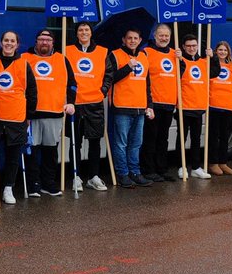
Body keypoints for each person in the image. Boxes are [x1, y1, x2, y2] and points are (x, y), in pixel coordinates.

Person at [22, 29, 76, 197]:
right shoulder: (24, 58)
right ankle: (34, 184)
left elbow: (72, 84)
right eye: (41, 39)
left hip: (54, 112)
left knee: (51, 151)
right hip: (32, 114)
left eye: (48, 40)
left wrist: (71, 102)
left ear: (53, 43)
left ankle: (49, 183)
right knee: (32, 150)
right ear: (36, 41)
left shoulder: (62, 59)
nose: (44, 42)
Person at [0, 30, 37, 204]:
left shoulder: (23, 64)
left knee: (13, 156)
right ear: (1, 43)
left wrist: (29, 116)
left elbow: (32, 92)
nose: (9, 43)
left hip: (16, 117)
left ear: (17, 44)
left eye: (12, 41)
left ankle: (8, 188)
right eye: (6, 40)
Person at [104, 27, 154, 189]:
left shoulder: (143, 56)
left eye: (136, 38)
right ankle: (123, 174)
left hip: (140, 107)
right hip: (122, 107)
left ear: (140, 41)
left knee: (136, 143)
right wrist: (127, 67)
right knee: (121, 143)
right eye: (129, 38)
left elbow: (147, 83)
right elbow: (110, 79)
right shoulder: (115, 55)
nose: (132, 41)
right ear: (124, 40)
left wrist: (149, 105)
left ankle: (135, 172)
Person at [65, 22, 109, 191]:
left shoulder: (103, 52)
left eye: (87, 30)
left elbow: (109, 75)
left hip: (94, 103)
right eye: (80, 30)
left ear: (91, 33)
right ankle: (76, 177)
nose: (84, 32)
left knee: (95, 142)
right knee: (75, 143)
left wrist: (102, 91)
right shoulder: (67, 50)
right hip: (75, 104)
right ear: (76, 34)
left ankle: (93, 176)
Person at [141, 23, 178, 182]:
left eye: (167, 36)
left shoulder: (174, 54)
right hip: (153, 103)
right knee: (150, 138)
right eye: (161, 35)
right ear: (154, 36)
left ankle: (162, 169)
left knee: (163, 138)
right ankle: (148, 170)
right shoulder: (146, 52)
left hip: (169, 103)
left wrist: (181, 60)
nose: (164, 38)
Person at [177, 33, 211, 179]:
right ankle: (181, 166)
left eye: (194, 46)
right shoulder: (180, 60)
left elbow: (214, 73)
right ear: (184, 47)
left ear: (198, 47)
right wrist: (178, 59)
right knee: (181, 138)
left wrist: (213, 57)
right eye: (189, 46)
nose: (192, 48)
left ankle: (196, 167)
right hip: (184, 107)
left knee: (196, 139)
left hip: (199, 106)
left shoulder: (205, 61)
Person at [207, 40, 232, 176]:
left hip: (228, 105)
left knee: (225, 136)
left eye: (225, 50)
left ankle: (223, 162)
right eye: (220, 50)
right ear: (216, 51)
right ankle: (212, 163)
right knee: (214, 136)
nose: (222, 52)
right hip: (214, 104)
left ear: (228, 52)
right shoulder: (211, 65)